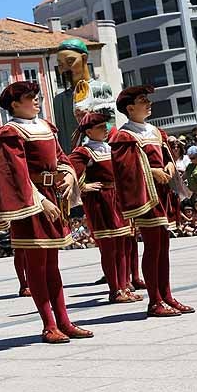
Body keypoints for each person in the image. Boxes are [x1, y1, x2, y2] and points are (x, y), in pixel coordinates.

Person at [0, 81, 91, 344]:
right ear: (14, 104)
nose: (37, 100)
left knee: (53, 266)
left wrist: (69, 175)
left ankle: (64, 321)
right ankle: (49, 325)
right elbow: (15, 173)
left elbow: (61, 157)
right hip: (30, 203)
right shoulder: (10, 132)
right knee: (37, 266)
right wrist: (39, 202)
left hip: (52, 197)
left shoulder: (45, 126)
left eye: (36, 96)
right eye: (30, 97)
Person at [111, 85, 194, 318]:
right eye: (142, 100)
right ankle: (155, 301)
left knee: (163, 247)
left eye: (147, 99)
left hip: (163, 193)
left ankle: (167, 295)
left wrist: (168, 165)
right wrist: (152, 171)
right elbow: (125, 169)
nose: (148, 103)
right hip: (146, 196)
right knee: (153, 247)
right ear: (130, 108)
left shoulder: (156, 132)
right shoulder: (124, 135)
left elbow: (166, 155)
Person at [69, 111, 140, 304]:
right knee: (109, 248)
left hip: (118, 200)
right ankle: (115, 289)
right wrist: (84, 186)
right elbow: (69, 173)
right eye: (101, 127)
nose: (106, 130)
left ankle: (125, 286)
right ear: (89, 131)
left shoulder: (110, 148)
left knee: (123, 245)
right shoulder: (84, 152)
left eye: (106, 126)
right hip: (101, 202)